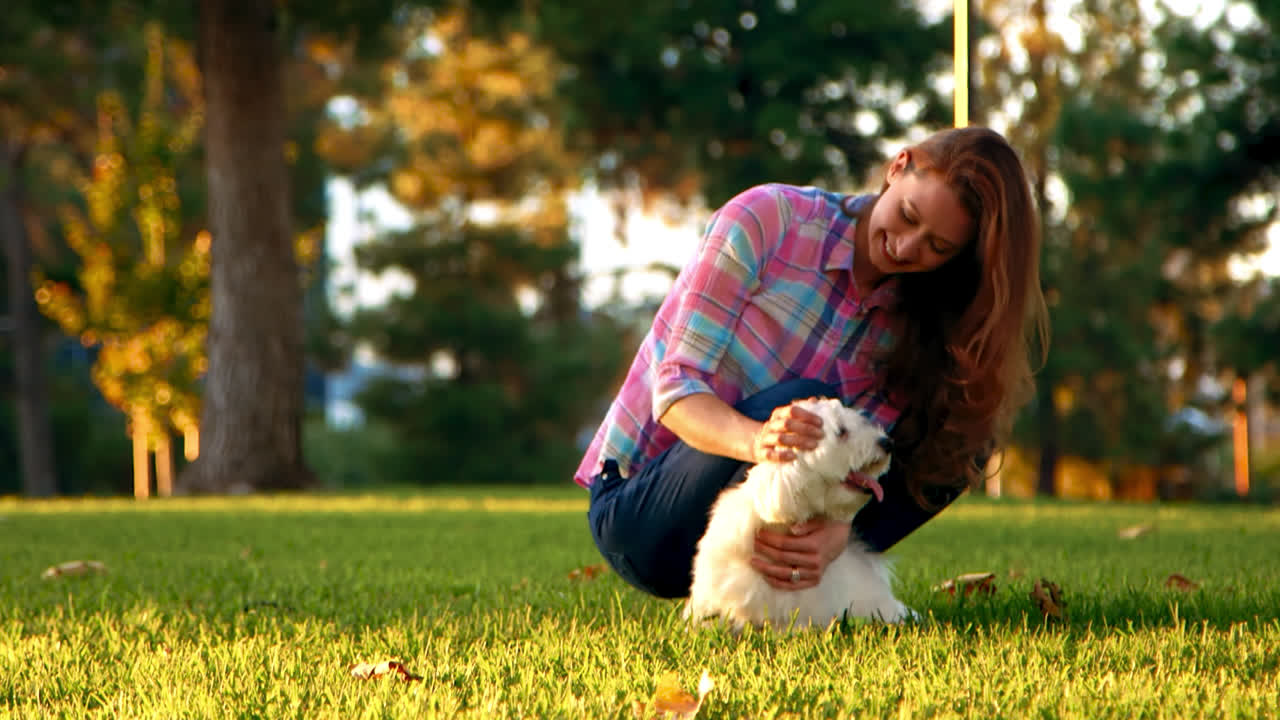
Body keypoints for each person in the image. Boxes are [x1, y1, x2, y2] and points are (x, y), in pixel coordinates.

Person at [576, 126, 1049, 600]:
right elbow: (676, 392)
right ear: (898, 166)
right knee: (801, 404)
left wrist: (843, 527)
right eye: (908, 216)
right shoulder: (768, 219)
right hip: (650, 515)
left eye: (938, 247)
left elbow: (870, 454)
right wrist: (759, 439)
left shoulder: (922, 316)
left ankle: (824, 563)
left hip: (776, 522)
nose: (907, 248)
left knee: (968, 429)